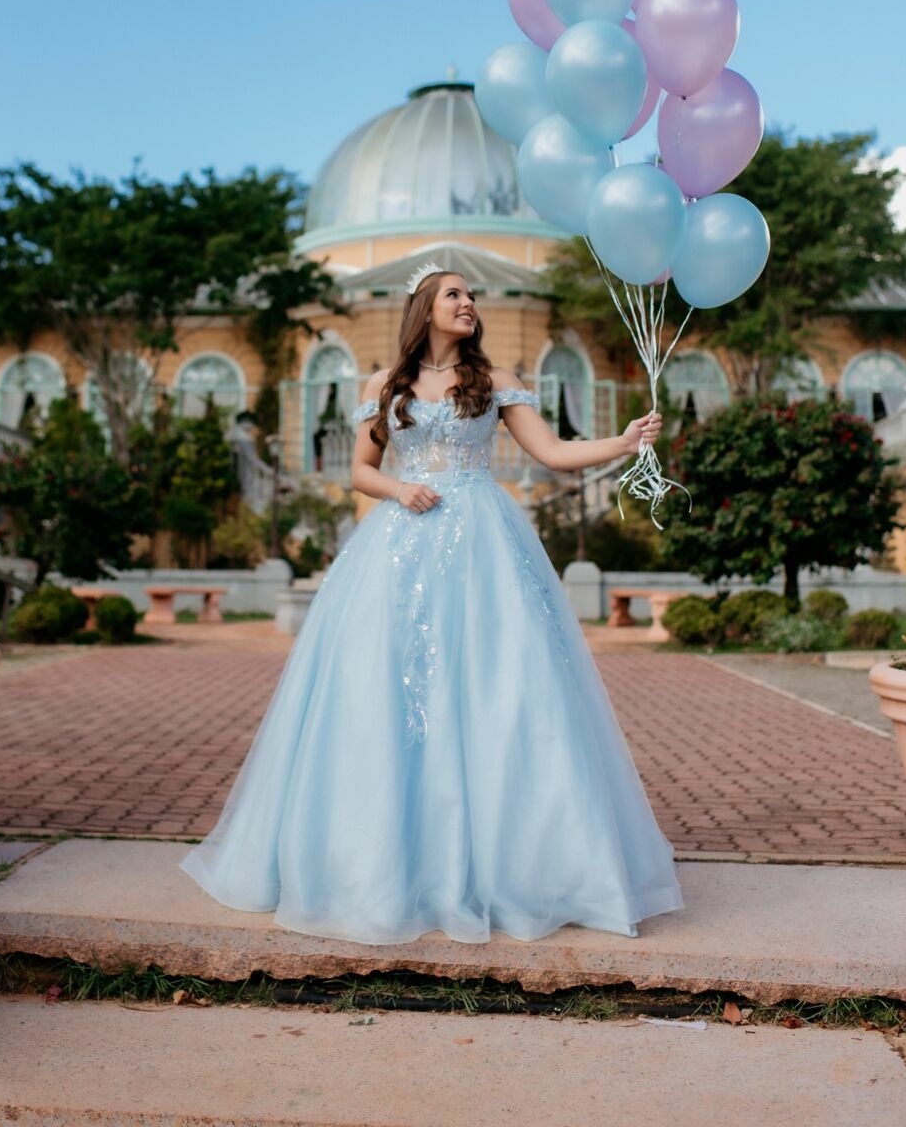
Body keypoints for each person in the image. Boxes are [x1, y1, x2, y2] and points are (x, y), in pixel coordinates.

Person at [179, 262, 683, 944]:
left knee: (501, 687)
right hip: (401, 545)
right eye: (455, 294)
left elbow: (551, 451)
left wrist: (622, 443)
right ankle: (384, 864)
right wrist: (398, 490)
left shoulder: (496, 382)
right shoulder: (384, 387)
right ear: (425, 307)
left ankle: (524, 865)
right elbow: (359, 469)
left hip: (485, 543)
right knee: (391, 691)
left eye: (472, 295)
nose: (468, 303)